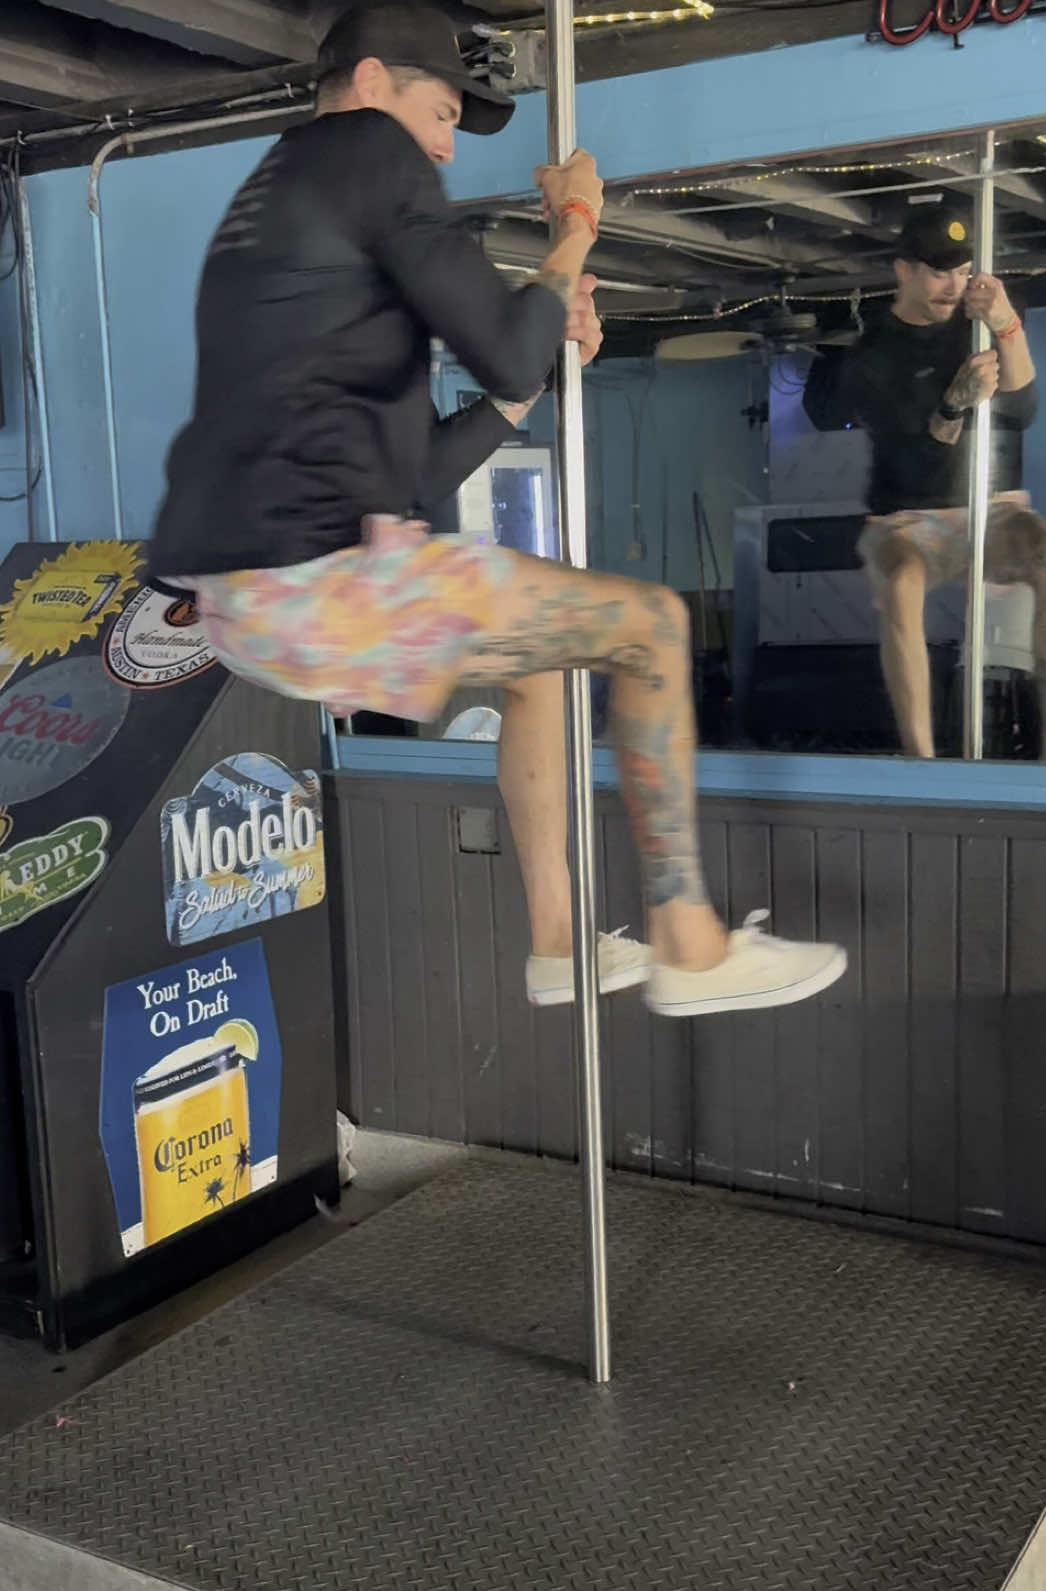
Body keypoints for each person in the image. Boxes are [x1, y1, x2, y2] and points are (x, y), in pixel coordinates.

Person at [149, 1, 847, 1017]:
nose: (442, 143)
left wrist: (526, 368)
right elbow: (512, 341)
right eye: (439, 111)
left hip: (255, 606)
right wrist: (574, 228)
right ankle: (690, 945)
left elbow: (425, 465)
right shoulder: (367, 153)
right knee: (653, 627)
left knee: (543, 680)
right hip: (324, 586)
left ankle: (561, 945)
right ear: (375, 79)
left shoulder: (280, 196)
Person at [804, 203, 1046, 764]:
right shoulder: (872, 352)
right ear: (904, 270)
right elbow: (916, 457)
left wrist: (1006, 323)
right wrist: (954, 403)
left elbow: (1023, 408)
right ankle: (919, 757)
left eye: (963, 271)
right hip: (907, 517)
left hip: (990, 508)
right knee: (900, 583)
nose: (953, 285)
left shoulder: (973, 325)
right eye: (939, 272)